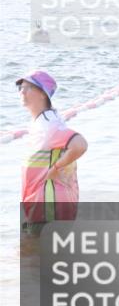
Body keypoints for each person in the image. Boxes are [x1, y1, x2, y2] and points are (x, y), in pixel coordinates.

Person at [17, 70, 88, 234]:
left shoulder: (48, 125)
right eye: (20, 87)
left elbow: (80, 145)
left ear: (42, 94)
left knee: (38, 254)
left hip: (49, 207)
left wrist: (56, 168)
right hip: (43, 204)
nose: (21, 91)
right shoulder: (43, 121)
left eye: (27, 87)